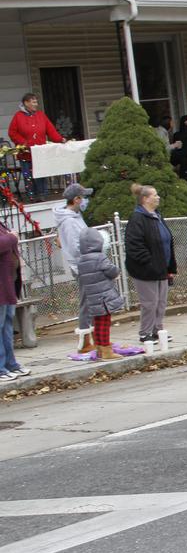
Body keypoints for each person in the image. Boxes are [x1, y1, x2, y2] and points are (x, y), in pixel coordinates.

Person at [124, 184, 177, 346]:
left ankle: (157, 330)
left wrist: (170, 266)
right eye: (154, 195)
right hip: (146, 270)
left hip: (162, 268)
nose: (158, 197)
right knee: (149, 303)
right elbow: (135, 246)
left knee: (161, 301)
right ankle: (145, 333)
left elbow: (167, 242)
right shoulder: (137, 219)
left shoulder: (157, 216)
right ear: (145, 199)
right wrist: (151, 263)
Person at [53, 183, 95, 353]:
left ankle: (89, 338)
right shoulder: (69, 221)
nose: (85, 200)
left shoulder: (75, 217)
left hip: (86, 263)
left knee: (90, 301)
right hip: (82, 265)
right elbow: (75, 246)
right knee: (87, 302)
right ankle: (85, 341)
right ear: (76, 199)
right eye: (83, 197)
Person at [76, 228, 125, 361]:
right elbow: (111, 271)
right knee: (105, 323)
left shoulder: (81, 261)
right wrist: (116, 270)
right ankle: (105, 350)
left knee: (97, 322)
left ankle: (99, 348)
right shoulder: (100, 257)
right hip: (104, 296)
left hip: (92, 297)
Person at [7, 92, 64, 202]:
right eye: (33, 102)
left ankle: (43, 195)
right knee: (29, 176)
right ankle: (32, 197)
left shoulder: (41, 115)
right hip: (26, 154)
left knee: (41, 174)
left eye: (36, 102)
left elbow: (51, 130)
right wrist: (23, 143)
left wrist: (61, 139)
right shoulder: (18, 116)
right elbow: (12, 132)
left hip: (40, 153)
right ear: (26, 103)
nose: (36, 104)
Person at [0, 221, 28, 382]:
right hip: (2, 286)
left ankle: (11, 364)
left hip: (8, 283)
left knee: (7, 326)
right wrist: (12, 237)